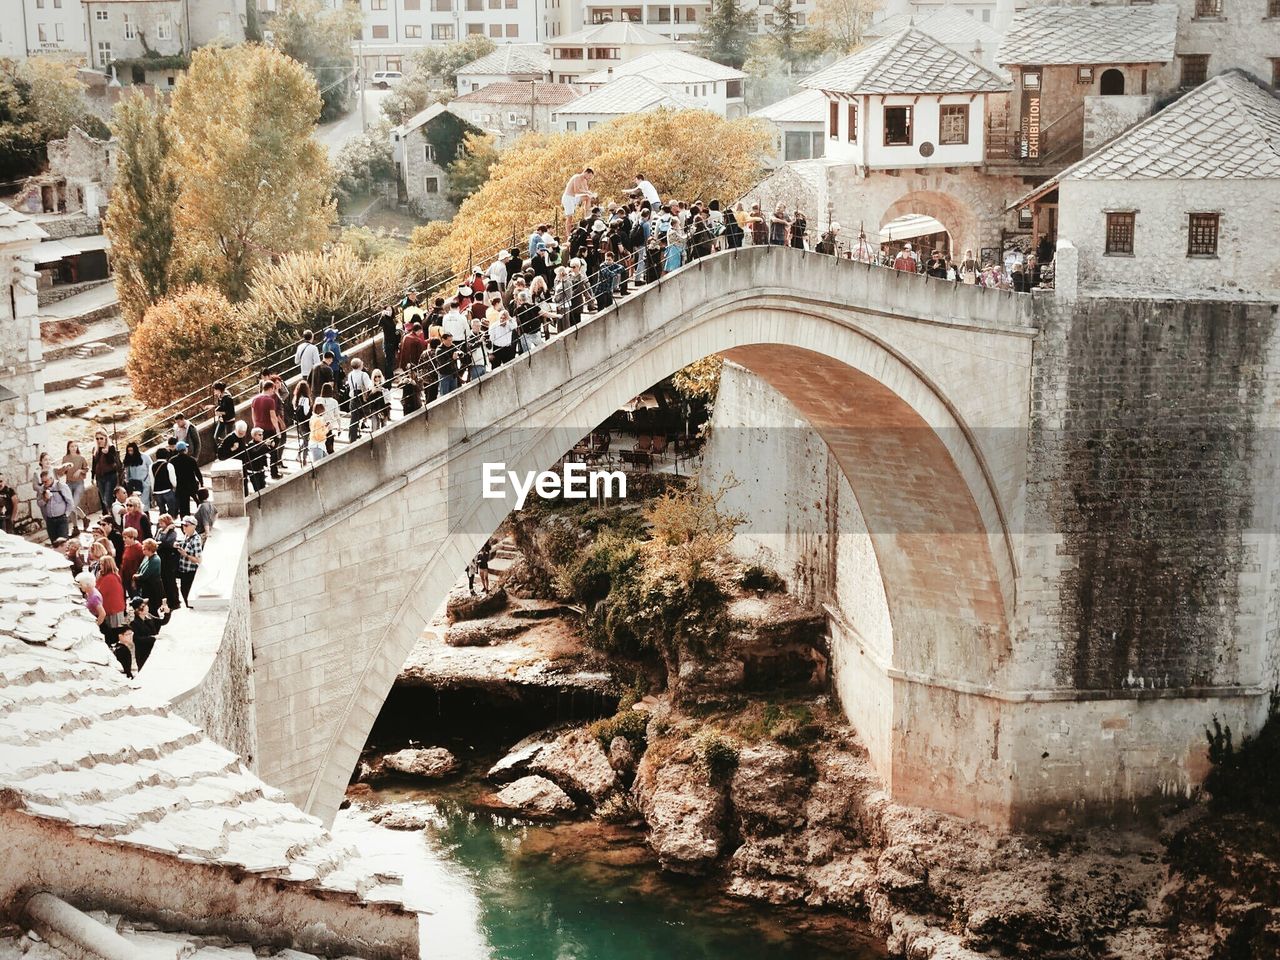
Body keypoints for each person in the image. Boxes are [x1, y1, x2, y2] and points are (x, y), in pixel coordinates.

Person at [251, 379, 285, 480]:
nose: (273, 392)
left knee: (260, 452)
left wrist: (255, 427)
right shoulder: (270, 401)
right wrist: (278, 430)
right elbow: (273, 417)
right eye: (273, 390)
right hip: (269, 429)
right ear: (270, 388)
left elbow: (253, 415)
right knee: (273, 452)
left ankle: (262, 472)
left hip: (258, 428)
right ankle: (274, 473)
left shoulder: (255, 399)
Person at [90, 430, 122, 518]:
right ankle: (111, 515)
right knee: (103, 499)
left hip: (110, 476)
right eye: (97, 439)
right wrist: (92, 477)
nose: (99, 440)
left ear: (105, 438)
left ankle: (112, 516)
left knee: (107, 498)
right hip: (100, 477)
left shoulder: (111, 447)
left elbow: (113, 462)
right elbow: (94, 464)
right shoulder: (95, 449)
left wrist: (107, 453)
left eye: (101, 438)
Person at [37, 469, 74, 543]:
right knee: (54, 543)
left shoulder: (61, 486)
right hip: (50, 520)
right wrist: (45, 499)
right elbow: (39, 503)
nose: (44, 484)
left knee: (63, 543)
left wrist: (66, 515)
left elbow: (70, 502)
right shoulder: (42, 489)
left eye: (46, 481)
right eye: (43, 482)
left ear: (51, 478)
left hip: (61, 519)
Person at [154, 515, 181, 612]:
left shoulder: (172, 533)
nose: (160, 525)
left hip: (168, 559)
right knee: (164, 581)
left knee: (170, 582)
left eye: (162, 523)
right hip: (161, 558)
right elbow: (156, 540)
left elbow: (166, 543)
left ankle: (174, 602)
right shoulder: (159, 531)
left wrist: (165, 533)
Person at [170, 441, 203, 518]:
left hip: (180, 487)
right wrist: (201, 483)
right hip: (192, 486)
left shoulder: (172, 460)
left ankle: (184, 523)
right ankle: (201, 516)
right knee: (198, 502)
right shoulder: (191, 460)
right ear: (185, 449)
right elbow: (197, 473)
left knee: (184, 508)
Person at [176, 516, 203, 607]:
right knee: (183, 591)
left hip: (190, 572)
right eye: (183, 525)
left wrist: (186, 555)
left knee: (187, 592)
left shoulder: (196, 540)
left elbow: (198, 560)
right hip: (184, 571)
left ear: (193, 526)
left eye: (186, 525)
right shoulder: (187, 535)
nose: (184, 527)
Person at [562, 166, 596, 237]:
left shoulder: (585, 181)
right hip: (568, 197)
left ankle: (587, 215)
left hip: (574, 197)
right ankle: (568, 234)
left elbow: (585, 191)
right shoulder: (577, 177)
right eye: (589, 176)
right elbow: (576, 190)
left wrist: (590, 193)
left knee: (587, 197)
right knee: (570, 217)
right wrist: (587, 192)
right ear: (586, 173)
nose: (589, 178)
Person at [346, 358, 374, 442]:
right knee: (368, 412)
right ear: (360, 365)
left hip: (353, 396)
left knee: (353, 419)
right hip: (362, 397)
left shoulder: (350, 374)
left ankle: (352, 438)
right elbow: (369, 385)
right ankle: (364, 425)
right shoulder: (363, 375)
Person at [122, 441, 152, 510]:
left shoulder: (145, 457)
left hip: (144, 483)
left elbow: (151, 468)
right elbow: (127, 472)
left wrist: (148, 481)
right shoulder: (128, 459)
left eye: (131, 450)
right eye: (128, 451)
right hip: (134, 484)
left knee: (144, 503)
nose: (130, 452)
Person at [61, 440, 88, 513]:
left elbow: (86, 469)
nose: (74, 448)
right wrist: (65, 469)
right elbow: (62, 472)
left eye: (75, 446)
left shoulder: (81, 458)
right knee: (70, 505)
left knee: (73, 505)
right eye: (72, 446)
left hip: (79, 483)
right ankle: (76, 523)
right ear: (68, 448)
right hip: (69, 483)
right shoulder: (65, 458)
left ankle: (84, 518)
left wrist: (79, 471)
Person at [208, 382, 236, 448]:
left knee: (229, 438)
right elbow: (221, 406)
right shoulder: (220, 396)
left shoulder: (228, 398)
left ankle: (228, 451)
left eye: (215, 389)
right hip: (222, 419)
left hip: (228, 421)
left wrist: (220, 413)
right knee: (216, 436)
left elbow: (231, 412)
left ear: (218, 390)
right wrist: (213, 407)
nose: (214, 391)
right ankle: (223, 449)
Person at [151, 448, 176, 517]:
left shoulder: (151, 466)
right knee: (172, 511)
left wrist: (153, 492)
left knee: (162, 512)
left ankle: (163, 524)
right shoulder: (169, 465)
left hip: (157, 492)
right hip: (167, 491)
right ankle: (170, 524)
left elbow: (152, 480)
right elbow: (173, 481)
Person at [245, 428, 270, 492]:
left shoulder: (261, 443)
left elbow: (268, 452)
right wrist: (264, 445)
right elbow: (255, 453)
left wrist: (271, 446)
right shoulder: (251, 444)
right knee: (257, 489)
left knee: (263, 487)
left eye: (262, 435)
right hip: (253, 471)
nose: (262, 436)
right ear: (254, 436)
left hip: (260, 469)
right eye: (259, 435)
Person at [308, 399, 331, 465]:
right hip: (317, 445)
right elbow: (319, 435)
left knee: (325, 463)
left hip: (316, 444)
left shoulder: (313, 417)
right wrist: (327, 429)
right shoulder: (318, 420)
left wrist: (324, 426)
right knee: (318, 465)